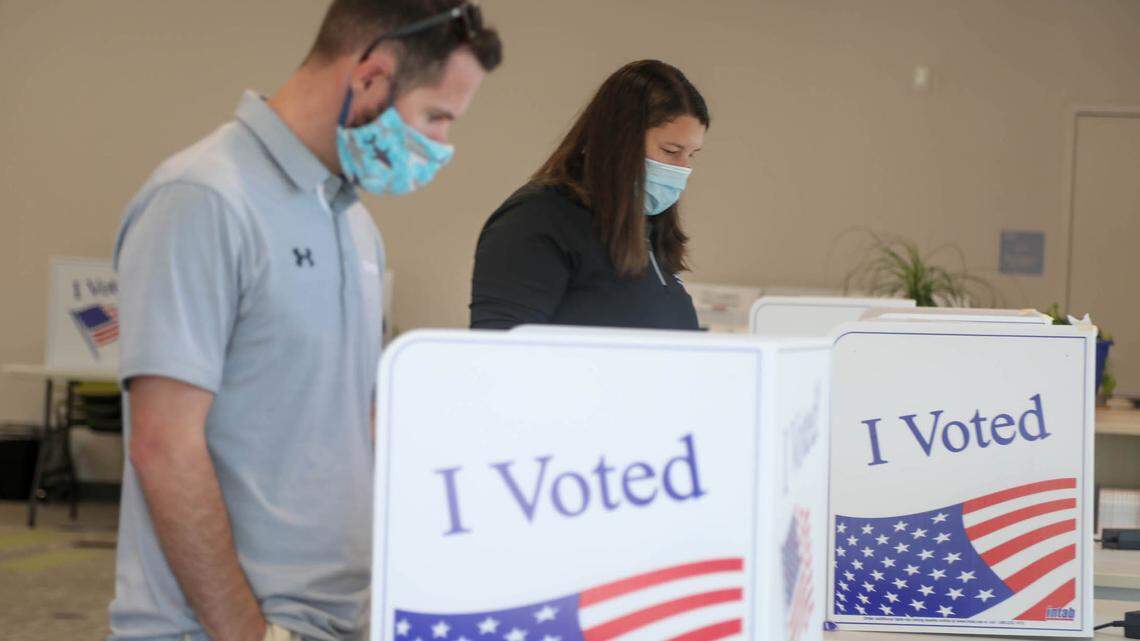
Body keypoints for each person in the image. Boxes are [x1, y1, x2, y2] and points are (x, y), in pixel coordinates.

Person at [109, 2, 501, 640]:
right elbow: (163, 446)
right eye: (436, 116)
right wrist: (249, 633)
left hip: (334, 618)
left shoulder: (354, 223)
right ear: (371, 78)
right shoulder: (203, 199)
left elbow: (350, 417)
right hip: (221, 629)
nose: (441, 146)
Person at [469, 60, 708, 330]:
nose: (682, 169)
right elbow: (498, 351)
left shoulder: (647, 229)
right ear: (619, 140)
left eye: (691, 155)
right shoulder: (537, 219)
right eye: (670, 151)